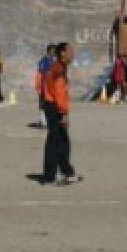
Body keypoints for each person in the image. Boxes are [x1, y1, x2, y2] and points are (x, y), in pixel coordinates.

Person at [41, 42, 80, 185]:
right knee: (55, 142)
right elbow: (59, 92)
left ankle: (67, 172)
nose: (73, 53)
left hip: (52, 105)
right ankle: (49, 177)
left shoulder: (59, 67)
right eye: (70, 51)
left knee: (63, 141)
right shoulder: (58, 68)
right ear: (62, 53)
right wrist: (64, 112)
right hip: (53, 107)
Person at [33, 44, 56, 128]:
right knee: (43, 104)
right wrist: (38, 86)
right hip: (44, 87)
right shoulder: (44, 60)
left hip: (51, 87)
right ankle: (44, 122)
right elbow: (40, 74)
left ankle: (49, 121)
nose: (55, 52)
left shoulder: (54, 61)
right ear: (49, 51)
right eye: (54, 50)